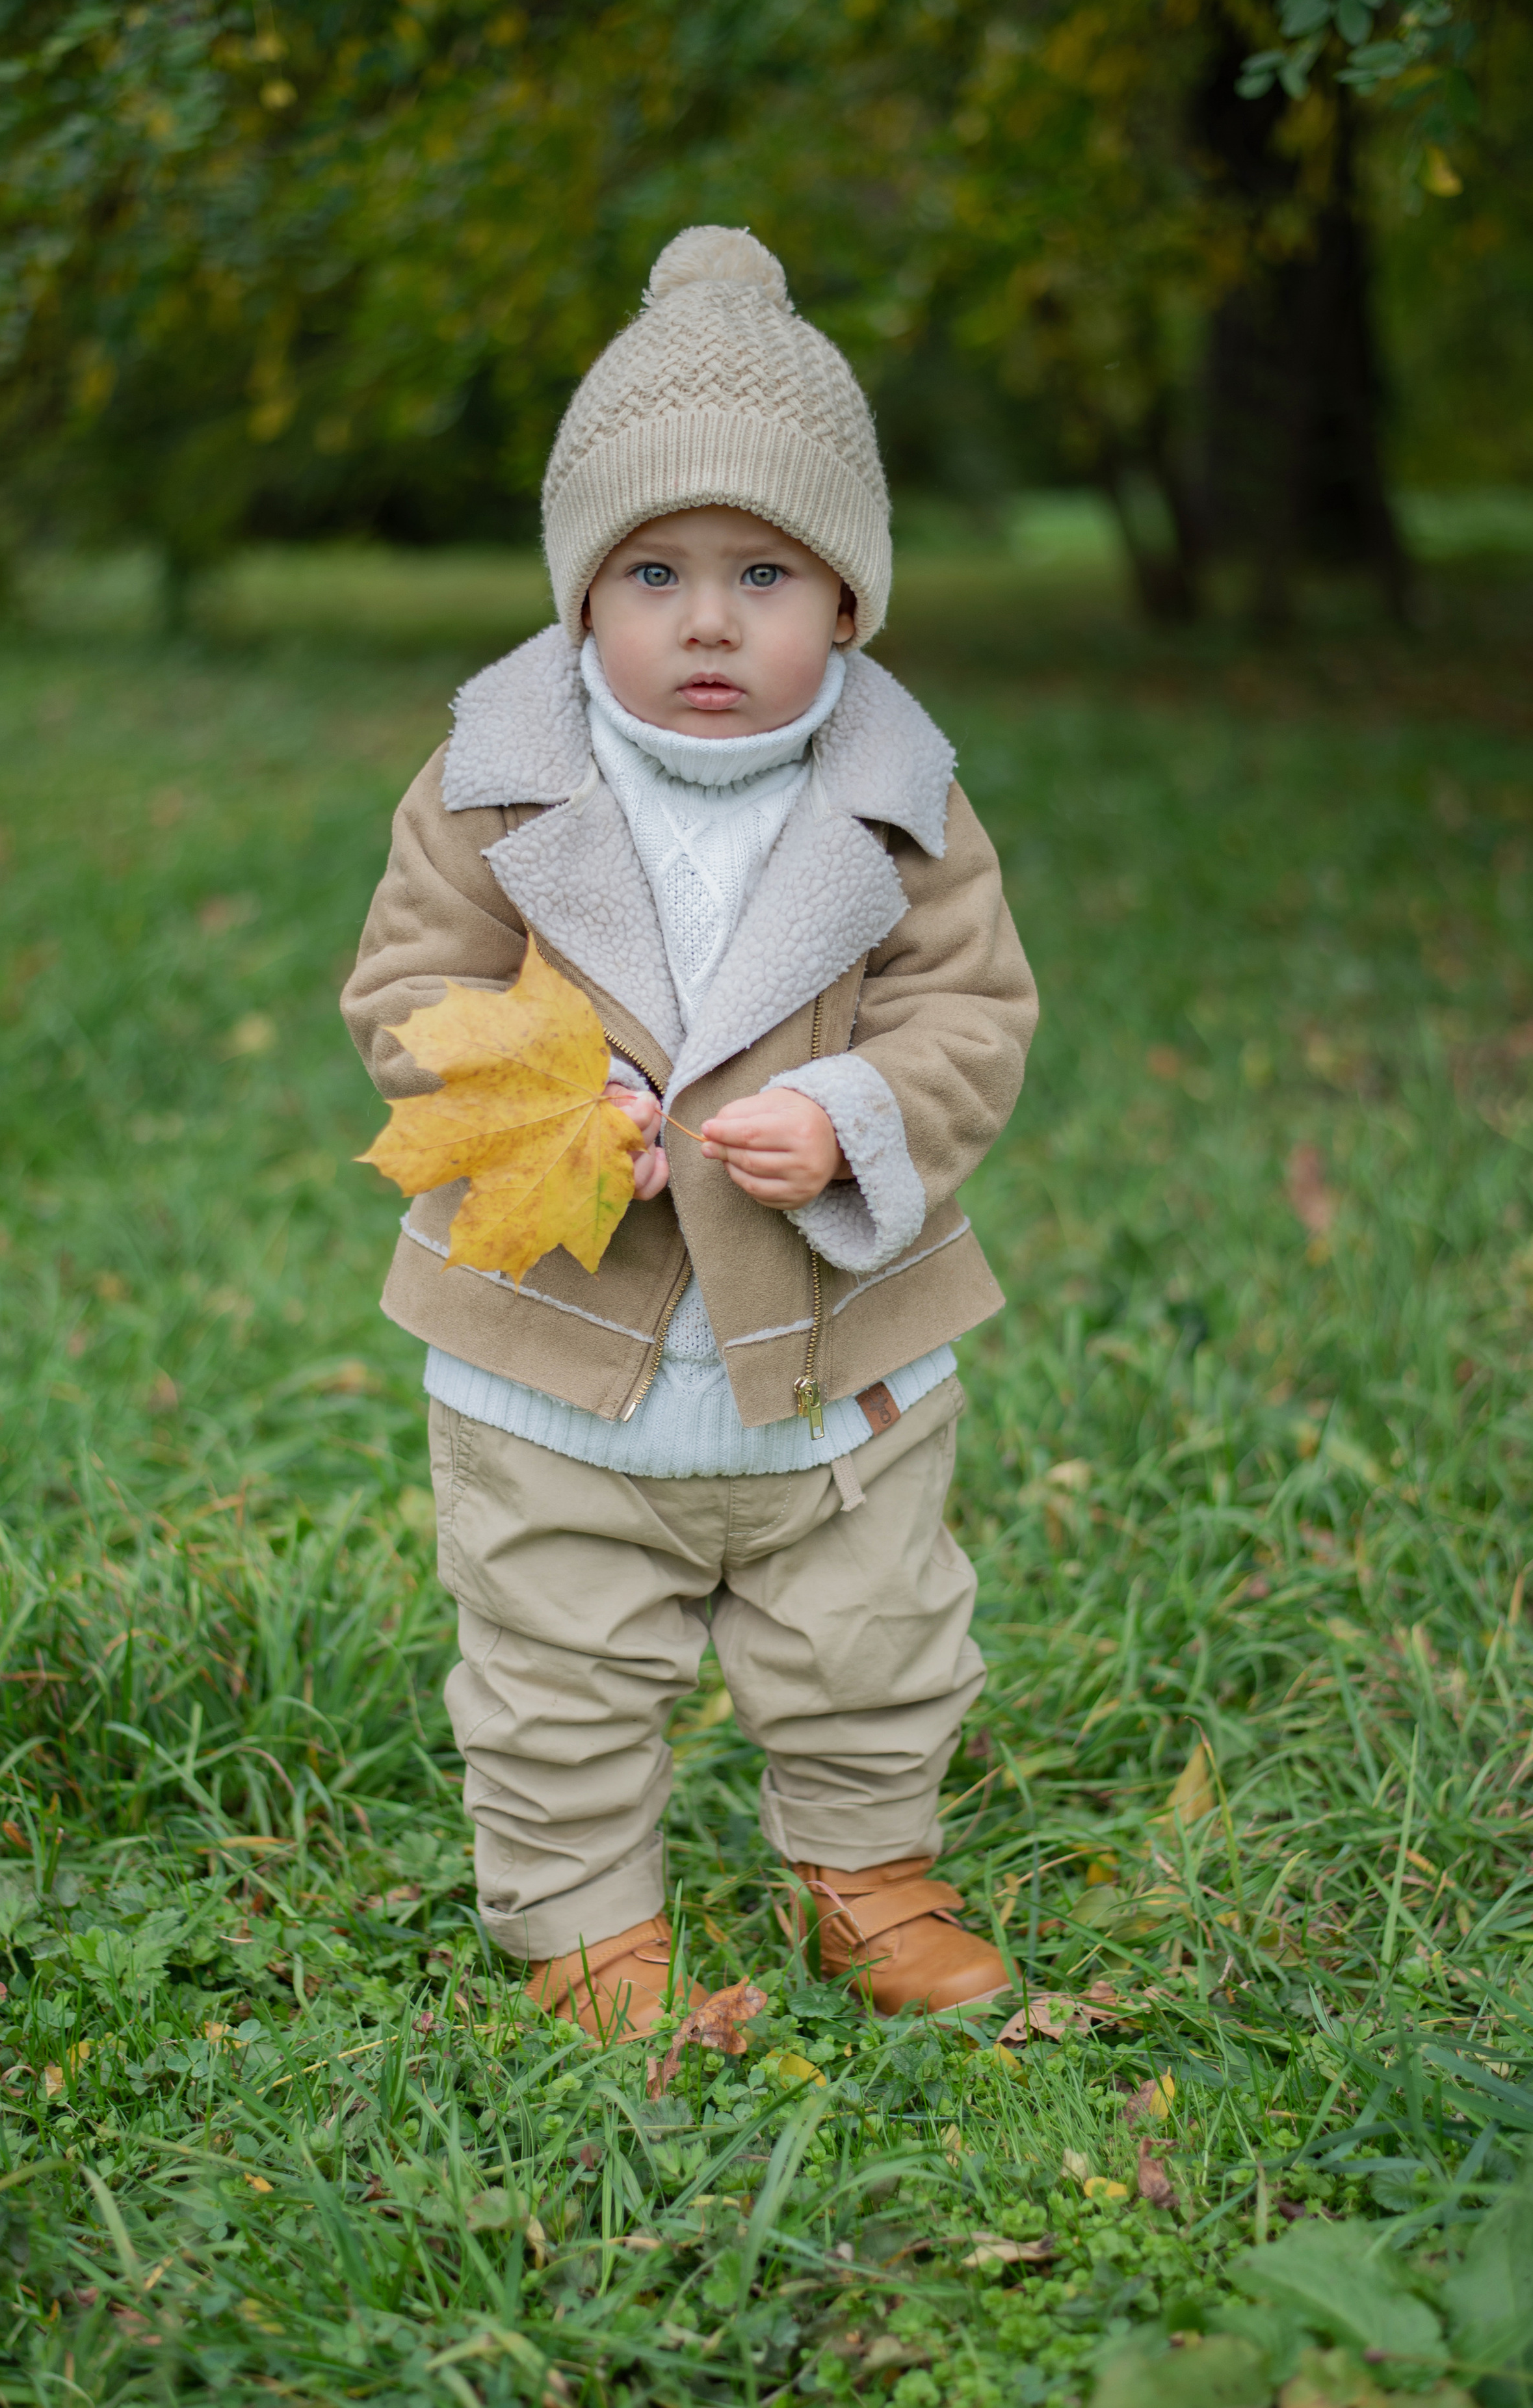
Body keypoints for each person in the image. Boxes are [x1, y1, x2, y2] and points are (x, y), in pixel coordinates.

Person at [343, 226, 1037, 2042]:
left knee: (869, 1625)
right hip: (557, 1353)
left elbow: (974, 1013)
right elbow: (405, 994)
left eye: (765, 572)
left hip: (834, 1350)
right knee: (559, 1648)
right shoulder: (494, 778)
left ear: (852, 603)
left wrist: (854, 1106)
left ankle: (867, 1870)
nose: (708, 618)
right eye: (652, 569)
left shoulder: (907, 810)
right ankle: (586, 1925)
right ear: (583, 596)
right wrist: (557, 1100)